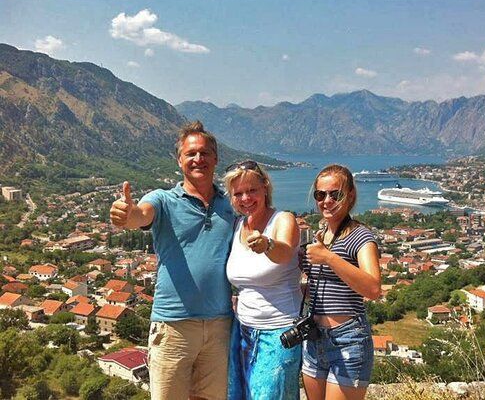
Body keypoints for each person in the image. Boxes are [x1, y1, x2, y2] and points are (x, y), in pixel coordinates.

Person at [109, 121, 235, 400]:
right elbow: (140, 215)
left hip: (219, 326)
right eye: (190, 154)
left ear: (216, 158)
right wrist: (126, 215)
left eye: (204, 153)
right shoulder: (163, 200)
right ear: (180, 160)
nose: (198, 159)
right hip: (173, 326)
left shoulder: (231, 205)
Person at [223, 160, 302, 400]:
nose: (246, 198)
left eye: (252, 190)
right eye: (238, 193)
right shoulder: (237, 226)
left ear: (265, 187)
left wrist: (267, 244)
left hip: (279, 331)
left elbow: (285, 251)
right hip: (242, 329)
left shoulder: (283, 220)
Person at [302, 164, 382, 400]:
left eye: (334, 194)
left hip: (348, 339)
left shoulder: (361, 236)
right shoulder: (320, 235)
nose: (326, 200)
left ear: (350, 195)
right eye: (320, 194)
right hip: (315, 339)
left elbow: (373, 288)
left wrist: (328, 257)